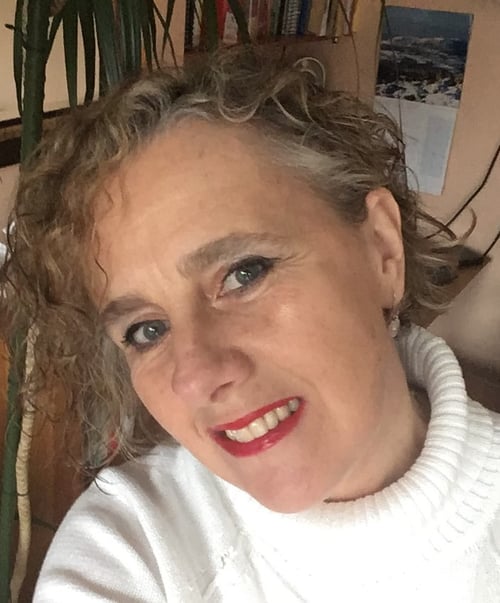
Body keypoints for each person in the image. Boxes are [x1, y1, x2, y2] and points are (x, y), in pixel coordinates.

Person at [1, 48, 499, 602]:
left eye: (243, 273)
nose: (195, 376)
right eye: (147, 330)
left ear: (382, 250)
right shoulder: (129, 549)